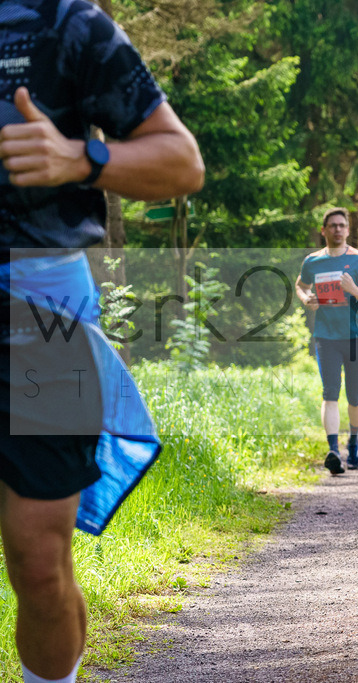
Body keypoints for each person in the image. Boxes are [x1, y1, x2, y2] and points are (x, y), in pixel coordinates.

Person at [0, 2, 205, 681]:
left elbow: (182, 163)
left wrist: (77, 157)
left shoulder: (68, 24)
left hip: (38, 305)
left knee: (37, 557)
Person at [296, 208, 358, 474]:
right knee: (329, 393)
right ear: (324, 230)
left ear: (348, 230)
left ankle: (353, 441)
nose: (337, 229)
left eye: (342, 225)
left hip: (354, 337)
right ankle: (332, 450)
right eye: (332, 225)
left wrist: (352, 290)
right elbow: (300, 285)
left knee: (353, 396)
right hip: (325, 337)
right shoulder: (313, 262)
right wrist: (307, 299)